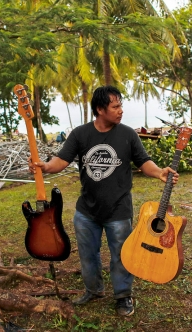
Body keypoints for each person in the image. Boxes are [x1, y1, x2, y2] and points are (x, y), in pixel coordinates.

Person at [28, 85, 179, 316]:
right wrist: (45, 167)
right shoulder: (80, 134)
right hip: (86, 211)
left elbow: (143, 161)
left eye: (121, 106)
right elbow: (61, 160)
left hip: (118, 210)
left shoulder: (127, 134)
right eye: (115, 106)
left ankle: (123, 295)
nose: (121, 111)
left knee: (121, 254)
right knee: (88, 253)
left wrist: (159, 172)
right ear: (100, 109)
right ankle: (93, 289)